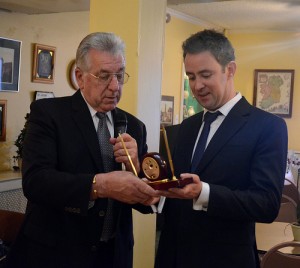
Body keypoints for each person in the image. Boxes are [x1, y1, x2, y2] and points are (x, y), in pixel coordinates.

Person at [5, 32, 158, 268]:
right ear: (80, 77)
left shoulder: (135, 126)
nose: (115, 86)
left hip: (114, 256)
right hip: (56, 255)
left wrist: (136, 167)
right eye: (104, 76)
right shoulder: (48, 114)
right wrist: (100, 186)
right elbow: (36, 182)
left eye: (119, 75)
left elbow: (146, 204)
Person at [155, 29, 288, 268]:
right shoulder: (182, 129)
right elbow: (168, 191)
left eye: (206, 75)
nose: (197, 86)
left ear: (230, 70)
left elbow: (266, 204)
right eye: (191, 76)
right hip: (172, 257)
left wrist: (203, 193)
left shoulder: (267, 127)